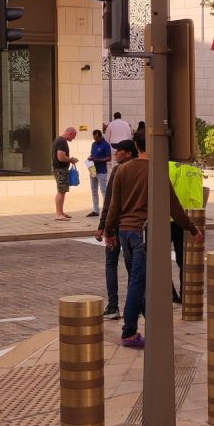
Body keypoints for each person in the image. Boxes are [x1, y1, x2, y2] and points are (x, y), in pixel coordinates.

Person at [103, 140, 202, 348]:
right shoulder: (156, 172)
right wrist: (193, 229)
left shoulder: (122, 169)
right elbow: (173, 206)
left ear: (137, 147)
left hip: (125, 232)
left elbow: (114, 204)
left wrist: (109, 231)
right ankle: (129, 332)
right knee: (138, 283)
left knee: (139, 281)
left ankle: (153, 324)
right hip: (143, 234)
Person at [95, 136, 138, 319]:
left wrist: (104, 227)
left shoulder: (119, 170)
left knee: (111, 264)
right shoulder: (142, 169)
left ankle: (113, 307)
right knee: (132, 269)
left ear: (128, 153)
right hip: (133, 228)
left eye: (119, 150)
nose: (115, 153)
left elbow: (110, 202)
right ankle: (132, 307)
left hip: (117, 226)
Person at [168, 157, 205, 304]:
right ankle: (185, 294)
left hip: (171, 218)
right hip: (191, 218)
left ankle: (171, 294)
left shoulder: (171, 166)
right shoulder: (195, 167)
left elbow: (165, 192)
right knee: (184, 260)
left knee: (159, 260)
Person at [52, 125, 78, 221]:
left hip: (58, 169)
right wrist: (71, 160)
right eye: (73, 136)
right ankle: (58, 214)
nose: (73, 139)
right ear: (70, 133)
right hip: (61, 169)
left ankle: (61, 212)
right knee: (61, 191)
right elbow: (61, 157)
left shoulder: (58, 140)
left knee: (62, 191)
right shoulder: (62, 141)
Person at [87, 127, 111, 216]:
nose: (96, 140)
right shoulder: (93, 144)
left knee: (103, 190)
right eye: (94, 138)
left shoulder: (106, 145)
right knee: (94, 191)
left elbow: (109, 158)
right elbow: (92, 154)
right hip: (93, 169)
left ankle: (106, 209)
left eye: (97, 138)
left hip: (101, 171)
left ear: (101, 136)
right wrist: (90, 158)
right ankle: (95, 210)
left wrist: (97, 160)